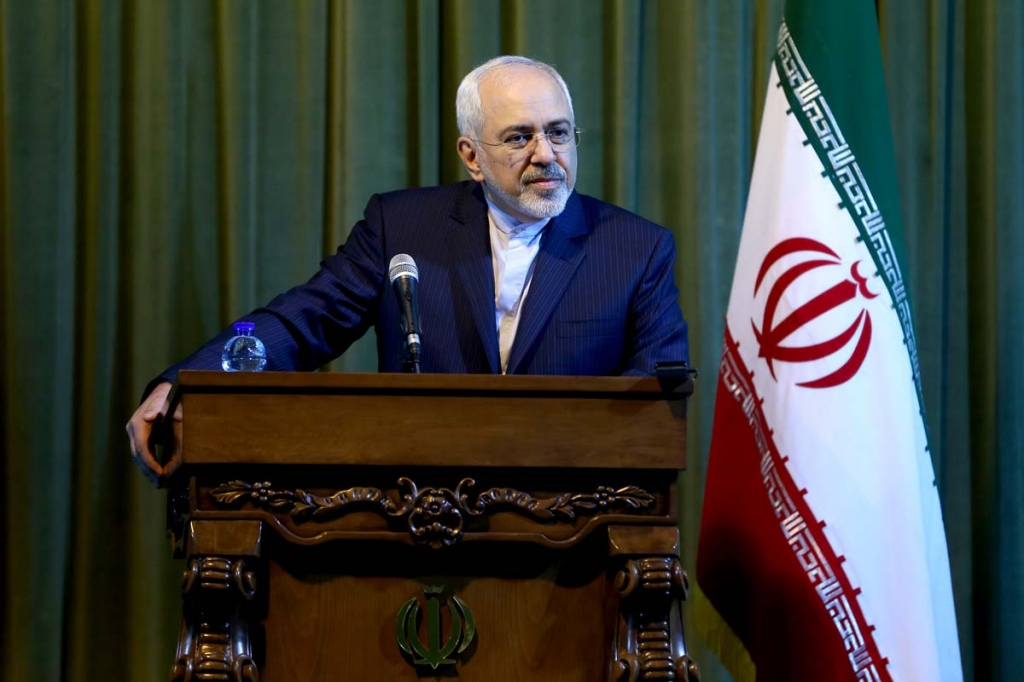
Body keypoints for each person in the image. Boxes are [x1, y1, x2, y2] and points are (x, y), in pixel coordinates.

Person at [126, 55, 689, 484]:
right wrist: (184, 386)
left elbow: (655, 403)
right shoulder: (402, 227)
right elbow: (304, 321)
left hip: (572, 536)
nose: (546, 153)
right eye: (520, 137)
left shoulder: (635, 249)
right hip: (416, 516)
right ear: (471, 156)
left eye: (559, 133)